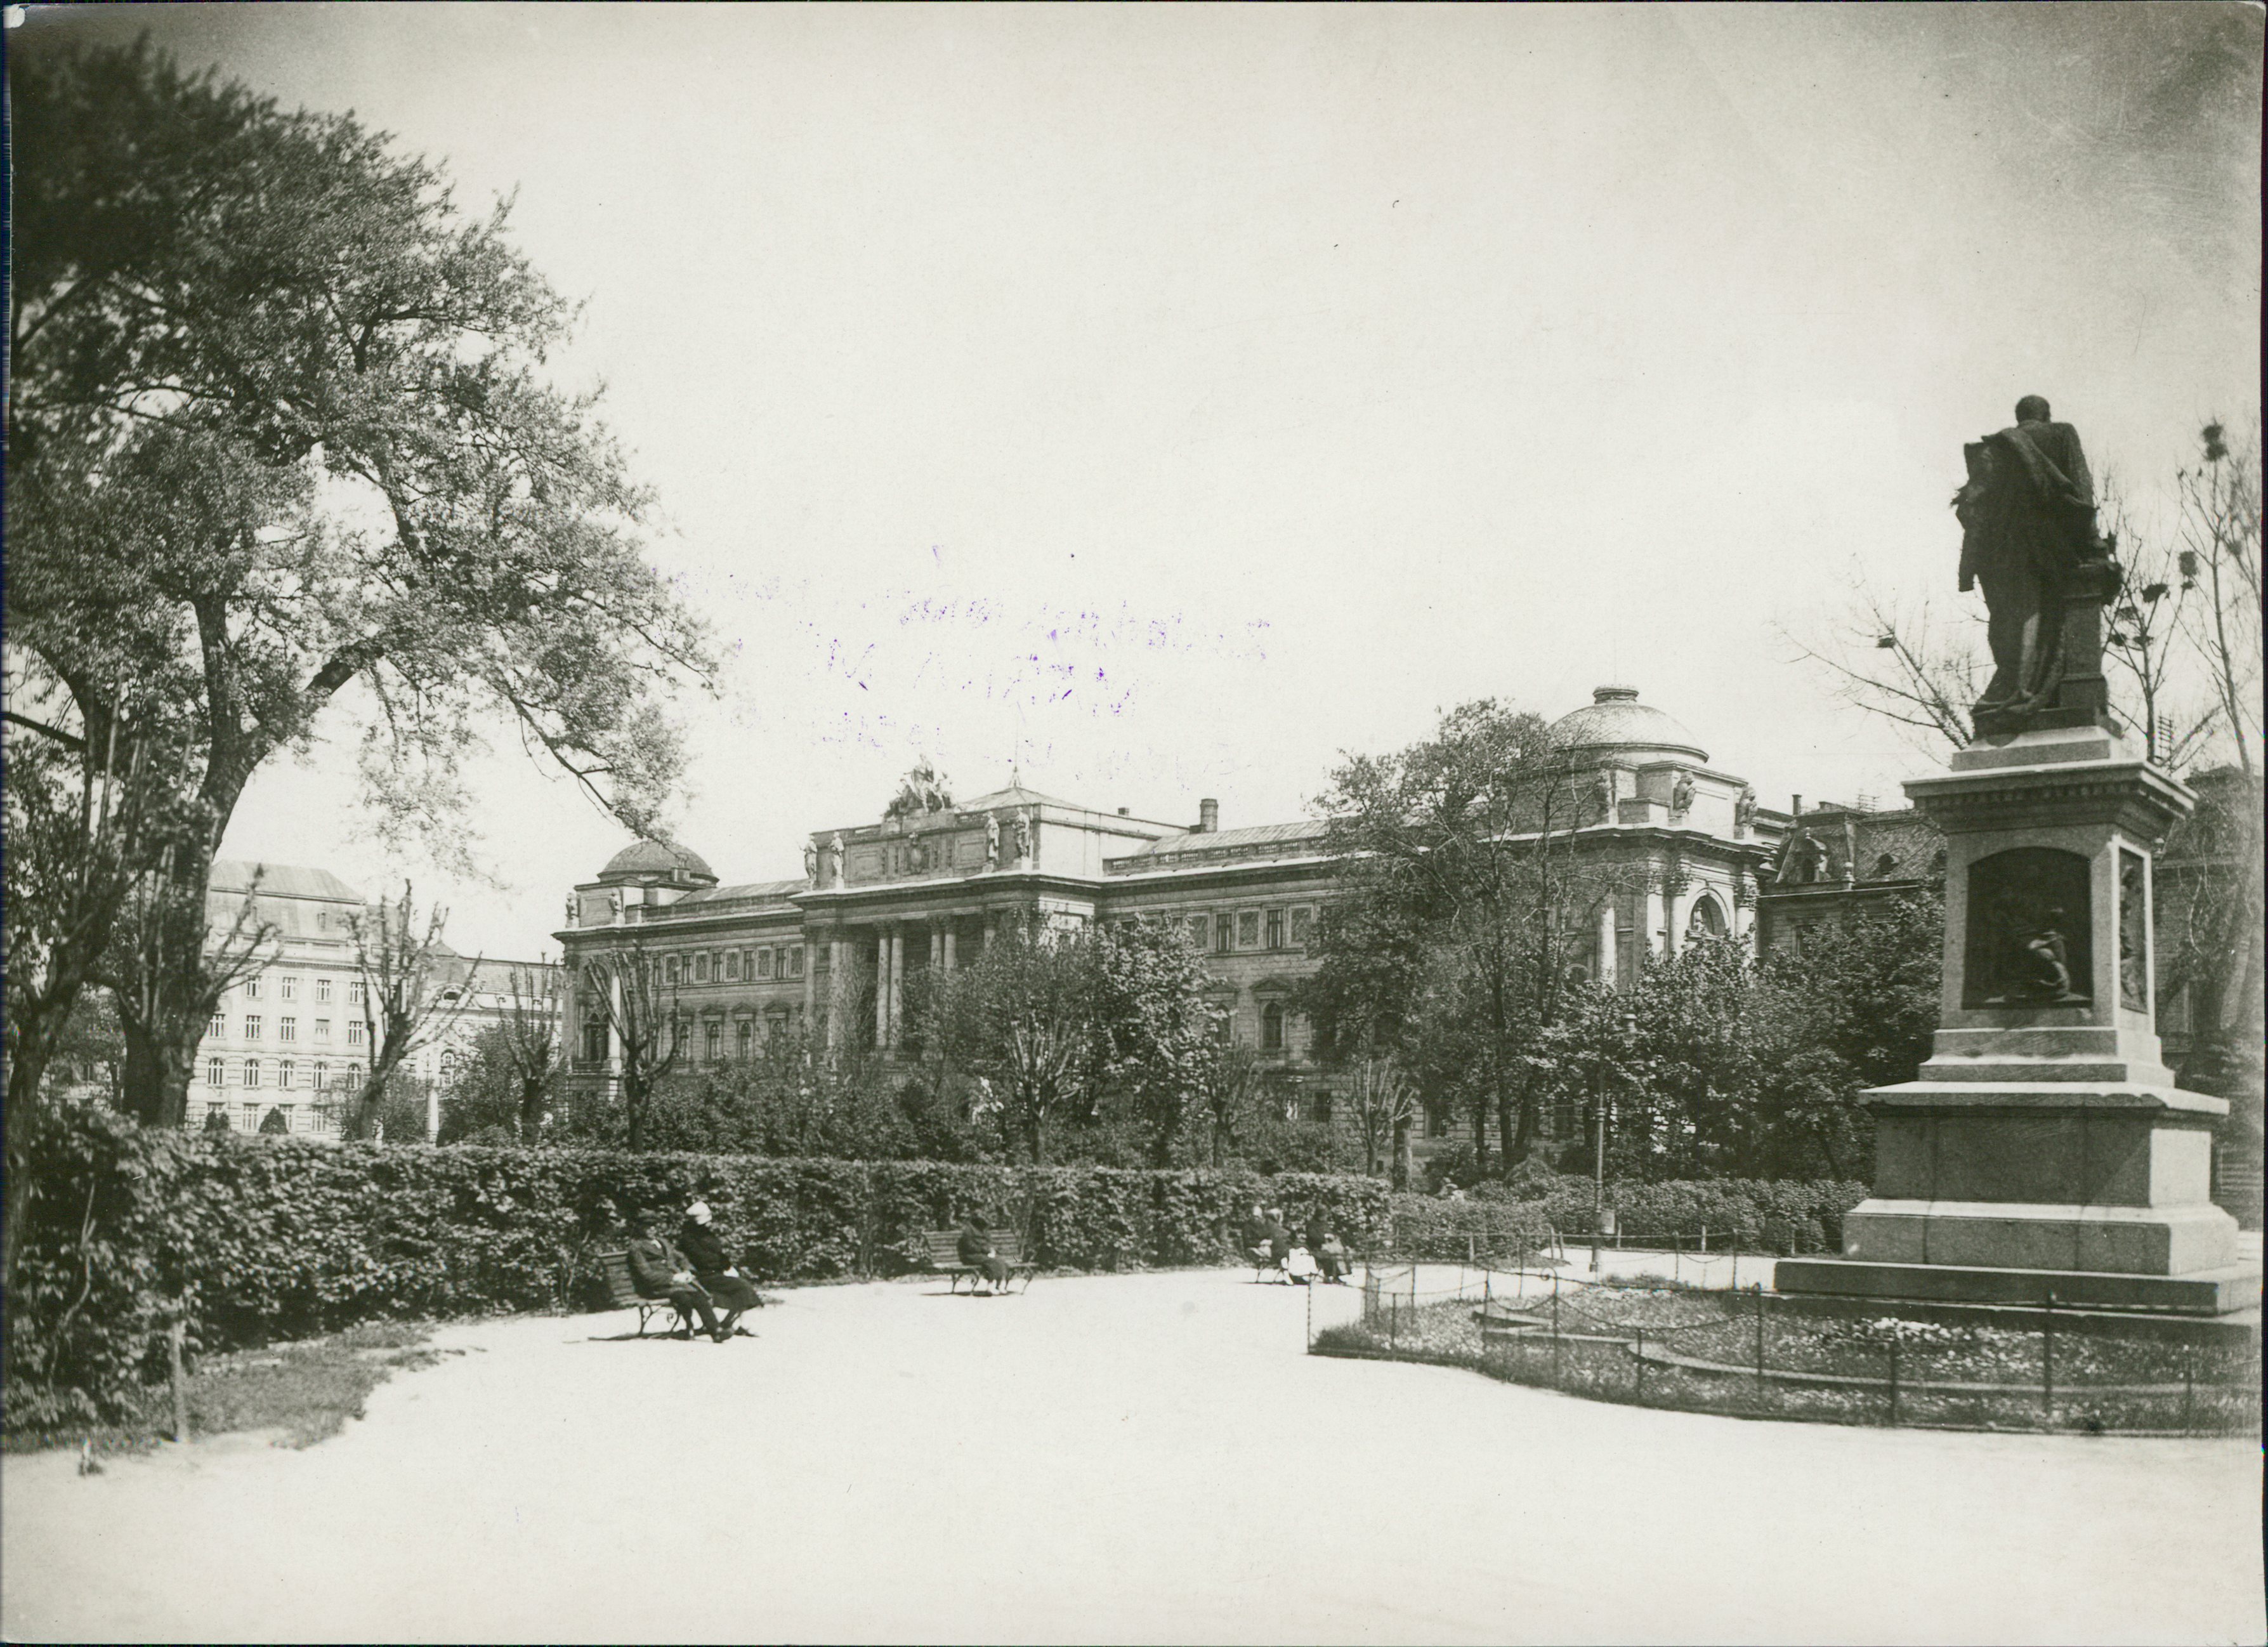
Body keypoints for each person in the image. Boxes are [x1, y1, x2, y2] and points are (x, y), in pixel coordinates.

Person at [1955, 395, 2114, 733]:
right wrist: (2093, 545)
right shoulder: (2061, 434)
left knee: (2008, 617)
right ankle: (2026, 690)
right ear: (2047, 415)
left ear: (2019, 418)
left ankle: (2011, 683)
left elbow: (1972, 502)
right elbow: (2081, 489)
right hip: (2047, 548)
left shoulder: (1997, 447)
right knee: (2039, 615)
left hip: (2000, 553)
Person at [624, 1211, 730, 1343]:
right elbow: (646, 1275)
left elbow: (682, 1258)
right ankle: (689, 1327)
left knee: (698, 1295)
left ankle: (716, 1331)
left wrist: (687, 1271)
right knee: (684, 1296)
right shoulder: (637, 1248)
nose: (652, 1229)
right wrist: (673, 1278)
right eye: (647, 1226)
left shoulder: (663, 1242)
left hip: (675, 1284)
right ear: (640, 1228)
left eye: (654, 1226)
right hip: (654, 1287)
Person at [678, 1201, 761, 1335]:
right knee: (742, 1286)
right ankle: (728, 1323)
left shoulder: (706, 1234)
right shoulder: (688, 1239)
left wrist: (728, 1266)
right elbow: (703, 1259)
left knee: (741, 1285)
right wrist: (722, 1266)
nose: (708, 1224)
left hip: (715, 1273)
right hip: (703, 1276)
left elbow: (719, 1254)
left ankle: (731, 1323)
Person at [957, 1212, 1014, 1295]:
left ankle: (999, 1285)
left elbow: (989, 1243)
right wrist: (985, 1251)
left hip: (982, 1254)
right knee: (992, 1262)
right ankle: (991, 1286)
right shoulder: (968, 1231)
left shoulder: (984, 1231)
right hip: (970, 1256)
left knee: (1000, 1260)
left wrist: (992, 1250)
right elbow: (970, 1247)